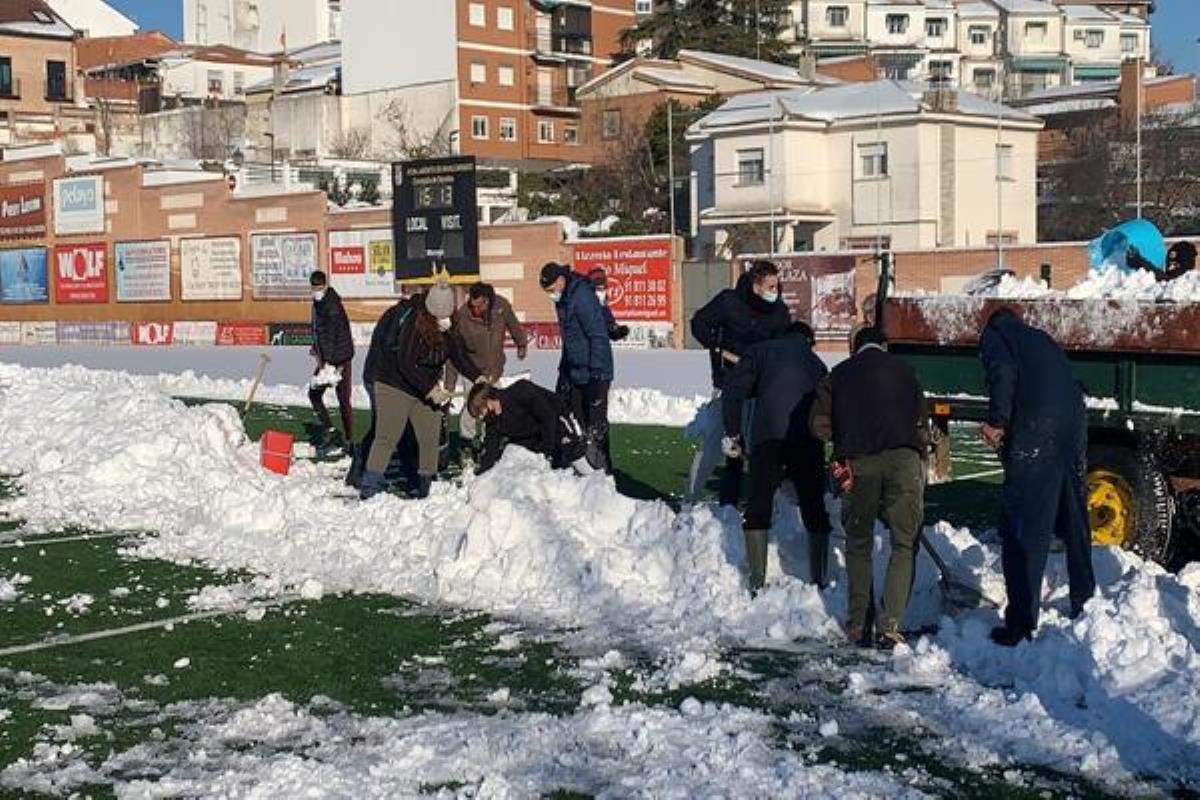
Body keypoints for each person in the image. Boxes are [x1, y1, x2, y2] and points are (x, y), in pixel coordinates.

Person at [979, 308, 1096, 647]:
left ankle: (1020, 623)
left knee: (1025, 523)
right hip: (1073, 425)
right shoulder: (1039, 337)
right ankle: (1085, 602)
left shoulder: (996, 335)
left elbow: (1002, 371)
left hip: (1037, 430)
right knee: (1075, 519)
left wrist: (998, 422)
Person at [810, 326, 928, 650]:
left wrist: (844, 435)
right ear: (884, 346)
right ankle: (889, 626)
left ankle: (859, 624)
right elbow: (922, 418)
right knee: (904, 543)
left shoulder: (839, 374)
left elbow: (818, 425)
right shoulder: (906, 371)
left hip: (857, 463)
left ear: (853, 347)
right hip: (904, 461)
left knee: (858, 543)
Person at [722, 321, 832, 595]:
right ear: (809, 341)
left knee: (759, 503)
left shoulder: (761, 351)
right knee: (813, 505)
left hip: (767, 434)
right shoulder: (816, 363)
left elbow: (733, 391)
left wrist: (733, 432)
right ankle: (818, 578)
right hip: (806, 438)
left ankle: (757, 581)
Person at [360, 280, 481, 500]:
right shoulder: (414, 323)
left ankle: (428, 484)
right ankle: (370, 486)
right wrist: (430, 390)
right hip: (394, 384)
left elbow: (459, 356)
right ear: (430, 311)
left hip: (424, 388)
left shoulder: (448, 328)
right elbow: (406, 362)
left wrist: (478, 377)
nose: (444, 320)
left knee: (430, 435)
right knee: (387, 436)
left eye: (447, 314)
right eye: (440, 315)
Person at [688, 260, 791, 505]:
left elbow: (783, 344)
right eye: (769, 286)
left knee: (751, 450)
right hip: (728, 384)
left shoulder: (778, 312)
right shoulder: (729, 301)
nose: (774, 291)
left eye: (776, 286)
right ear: (756, 284)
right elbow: (698, 323)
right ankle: (690, 500)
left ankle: (754, 504)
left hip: (759, 390)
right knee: (714, 446)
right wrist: (716, 347)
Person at [540, 262, 614, 473]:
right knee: (576, 423)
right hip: (575, 370)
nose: (550, 295)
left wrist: (598, 375)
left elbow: (597, 335)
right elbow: (571, 339)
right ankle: (581, 471)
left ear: (561, 280)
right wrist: (564, 371)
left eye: (551, 289)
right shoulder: (563, 301)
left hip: (594, 371)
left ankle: (604, 473)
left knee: (595, 427)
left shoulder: (581, 297)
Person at [466, 380, 595, 474]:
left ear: (489, 402)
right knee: (513, 453)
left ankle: (597, 486)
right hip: (535, 435)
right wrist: (480, 475)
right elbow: (490, 452)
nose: (481, 417)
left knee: (573, 454)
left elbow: (548, 417)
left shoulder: (521, 391)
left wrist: (546, 452)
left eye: (480, 412)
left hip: (559, 419)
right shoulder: (493, 423)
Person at [308, 271, 354, 454]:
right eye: (314, 288)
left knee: (343, 400)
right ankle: (330, 430)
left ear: (325, 286)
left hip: (339, 361)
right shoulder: (317, 304)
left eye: (319, 288)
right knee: (314, 394)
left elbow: (338, 337)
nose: (316, 291)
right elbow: (320, 333)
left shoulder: (333, 306)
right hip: (326, 361)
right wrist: (317, 349)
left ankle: (350, 442)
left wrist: (334, 365)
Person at [588, 268, 631, 342]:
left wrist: (617, 332)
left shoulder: (604, 307)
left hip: (601, 348)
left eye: (604, 288)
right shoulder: (584, 306)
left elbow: (608, 324)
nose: (602, 292)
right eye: (598, 289)